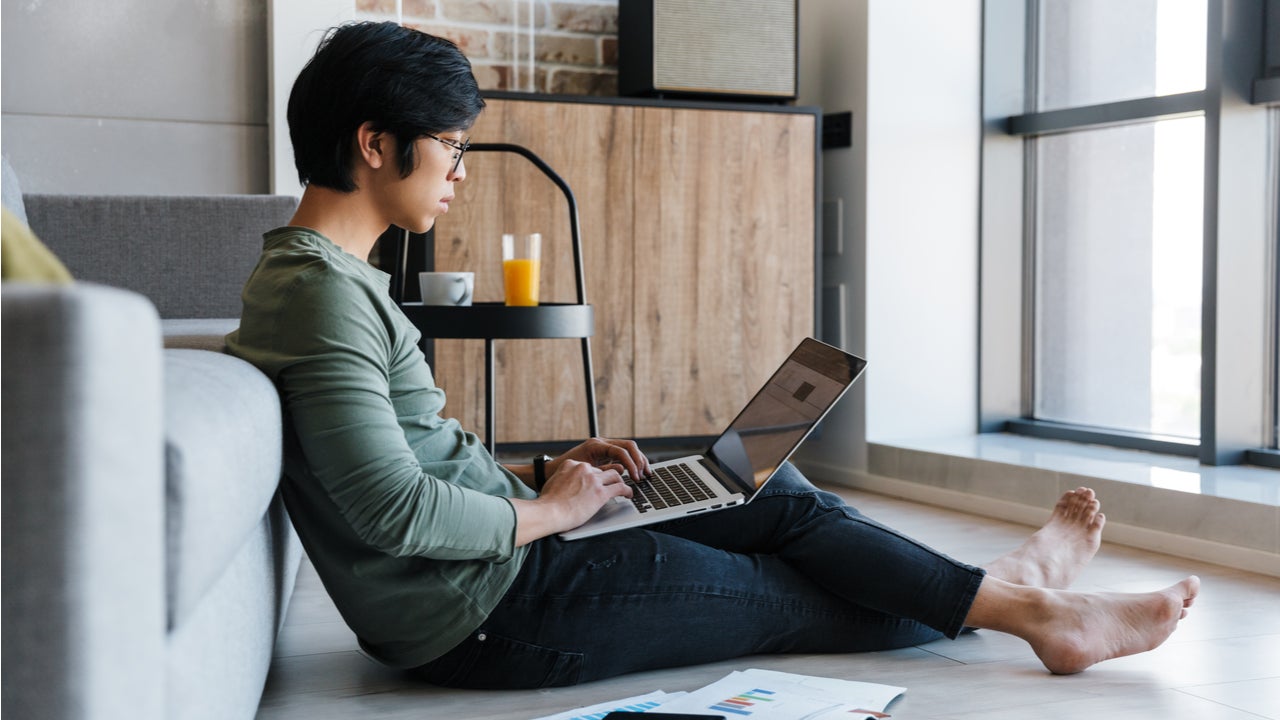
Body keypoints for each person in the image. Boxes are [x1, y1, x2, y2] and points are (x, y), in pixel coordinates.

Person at [227, 21, 1200, 690]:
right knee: (789, 594)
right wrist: (553, 512)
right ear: (372, 144)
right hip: (486, 613)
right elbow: (393, 510)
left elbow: (410, 459)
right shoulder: (319, 294)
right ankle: (1034, 608)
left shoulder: (330, 282)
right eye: (450, 148)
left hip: (503, 563)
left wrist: (544, 475)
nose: (460, 175)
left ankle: (1011, 590)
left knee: (766, 492)